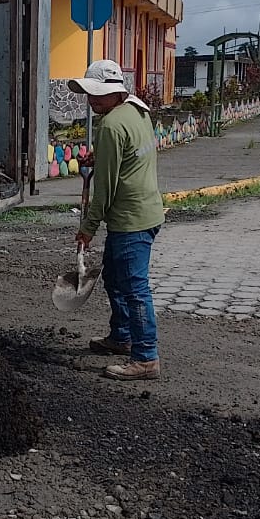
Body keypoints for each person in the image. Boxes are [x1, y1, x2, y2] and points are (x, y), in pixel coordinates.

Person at [68, 59, 165, 380]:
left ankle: (146, 358)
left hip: (130, 219)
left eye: (98, 93)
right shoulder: (138, 111)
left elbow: (105, 189)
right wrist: (102, 156)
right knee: (113, 277)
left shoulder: (110, 125)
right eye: (90, 93)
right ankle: (121, 337)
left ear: (116, 91)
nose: (92, 100)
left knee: (135, 289)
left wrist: (87, 228)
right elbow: (133, 152)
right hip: (148, 211)